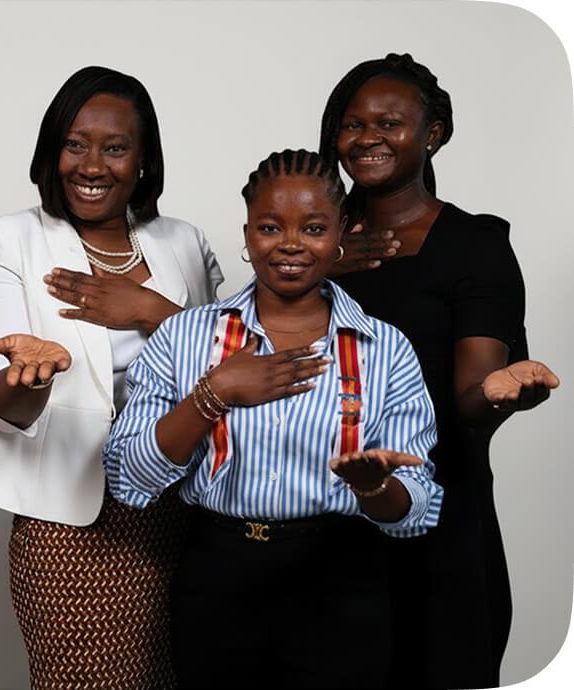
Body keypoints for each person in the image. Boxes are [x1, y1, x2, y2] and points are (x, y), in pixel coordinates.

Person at [104, 149, 448, 689]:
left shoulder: (386, 349)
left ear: (341, 234)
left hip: (341, 581)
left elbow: (415, 509)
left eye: (313, 228)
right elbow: (129, 476)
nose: (290, 243)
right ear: (248, 233)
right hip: (218, 577)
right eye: (270, 226)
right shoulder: (186, 338)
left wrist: (376, 488)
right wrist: (213, 393)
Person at [0, 65, 262, 690]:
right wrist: (32, 377)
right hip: (69, 526)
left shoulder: (182, 242)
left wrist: (152, 311)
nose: (92, 165)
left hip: (179, 510)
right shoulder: (11, 239)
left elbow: (230, 365)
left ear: (144, 160)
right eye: (75, 144)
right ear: (52, 150)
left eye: (115, 147)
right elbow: (1, 405)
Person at [318, 53, 560, 689]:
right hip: (318, 529)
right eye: (351, 124)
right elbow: (247, 348)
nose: (366, 138)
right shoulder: (311, 243)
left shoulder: (474, 245)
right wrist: (321, 264)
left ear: (434, 134)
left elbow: (469, 405)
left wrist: (503, 394)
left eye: (389, 122)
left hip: (437, 532)